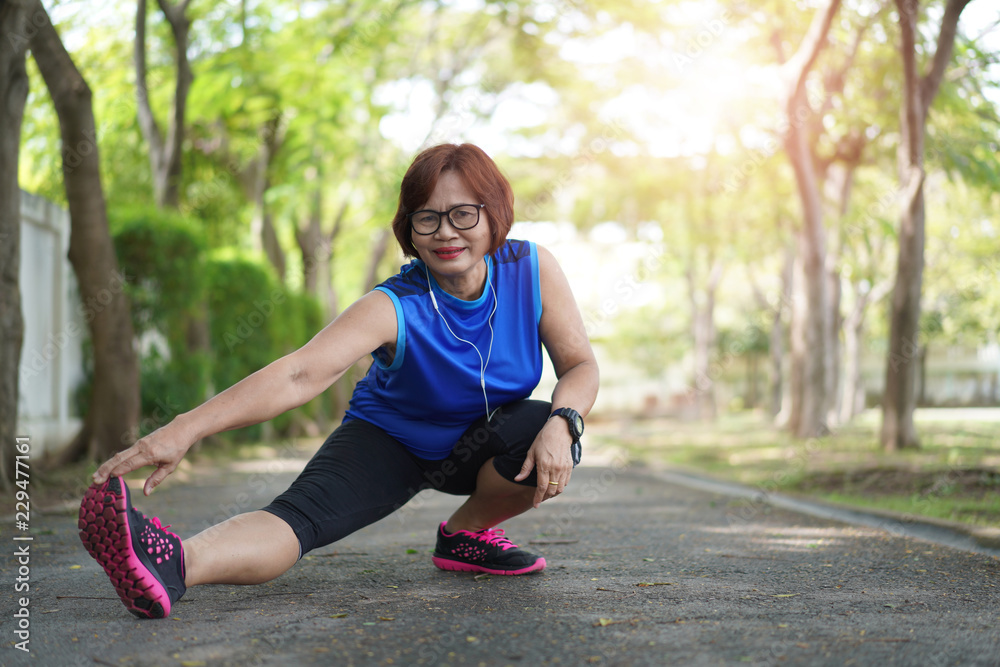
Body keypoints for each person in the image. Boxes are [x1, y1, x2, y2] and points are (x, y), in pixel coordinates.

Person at [78, 143, 599, 619]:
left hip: (485, 442)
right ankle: (171, 562)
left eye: (463, 213)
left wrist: (565, 422)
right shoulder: (394, 304)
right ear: (409, 228)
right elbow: (299, 373)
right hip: (389, 441)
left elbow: (579, 365)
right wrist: (185, 429)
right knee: (295, 520)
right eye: (427, 217)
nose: (445, 232)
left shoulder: (531, 268)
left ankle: (467, 534)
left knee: (541, 425)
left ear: (495, 215)